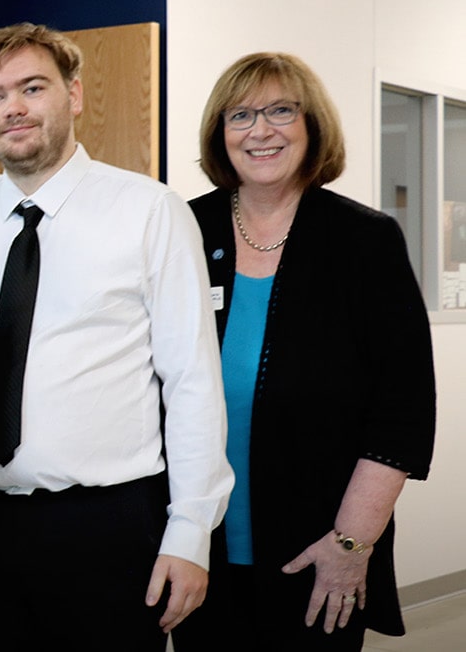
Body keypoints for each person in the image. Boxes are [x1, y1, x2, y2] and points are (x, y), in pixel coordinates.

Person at [0, 22, 232, 650]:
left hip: (106, 530)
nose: (14, 109)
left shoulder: (150, 212)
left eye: (33, 87)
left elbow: (192, 382)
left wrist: (191, 535)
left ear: (74, 96)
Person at [173, 53, 435, 650]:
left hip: (318, 550)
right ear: (220, 132)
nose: (260, 130)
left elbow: (404, 411)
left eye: (281, 111)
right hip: (198, 548)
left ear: (312, 124)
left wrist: (350, 545)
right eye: (240, 115)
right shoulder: (187, 229)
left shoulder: (363, 240)